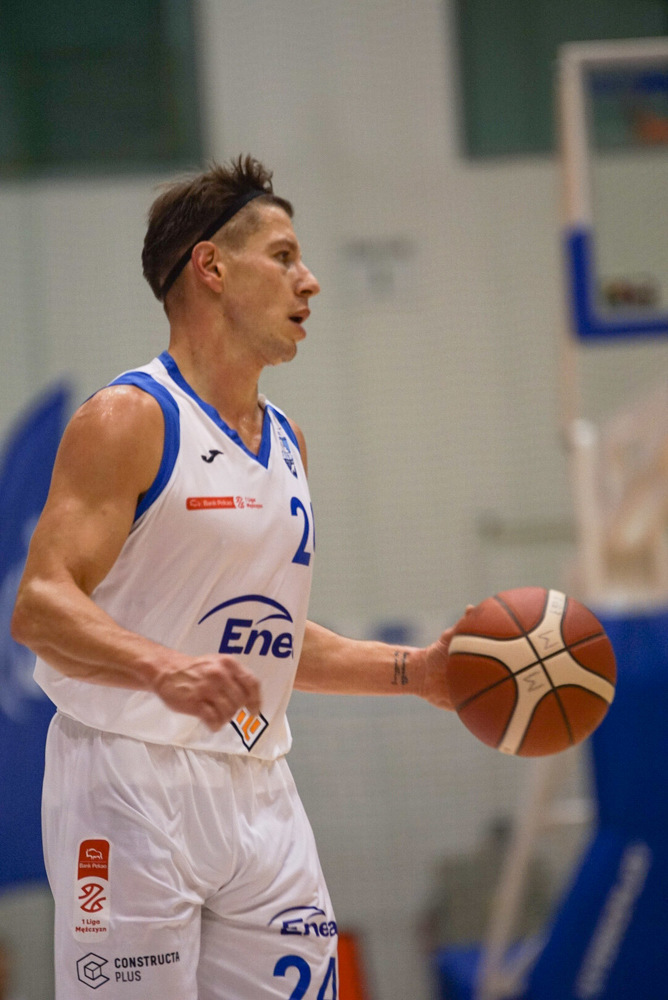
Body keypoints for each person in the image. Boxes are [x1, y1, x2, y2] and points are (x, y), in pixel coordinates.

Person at [12, 155, 454, 999]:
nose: (309, 281)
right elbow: (39, 605)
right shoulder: (129, 418)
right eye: (284, 256)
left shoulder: (287, 441)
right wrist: (164, 669)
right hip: (126, 784)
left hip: (258, 783)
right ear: (211, 267)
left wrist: (419, 672)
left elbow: (270, 642)